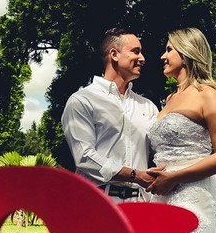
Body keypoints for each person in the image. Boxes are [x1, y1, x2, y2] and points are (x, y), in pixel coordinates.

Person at [145, 27, 216, 233]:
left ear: (185, 54)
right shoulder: (169, 99)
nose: (163, 56)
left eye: (169, 50)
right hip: (161, 198)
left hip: (193, 197)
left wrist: (174, 177)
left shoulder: (207, 95)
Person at [62, 28, 161, 202]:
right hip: (98, 205)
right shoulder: (82, 100)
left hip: (142, 206)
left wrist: (199, 169)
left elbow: (164, 150)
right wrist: (134, 175)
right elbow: (84, 157)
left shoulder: (149, 106)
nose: (143, 59)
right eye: (135, 51)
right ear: (114, 54)